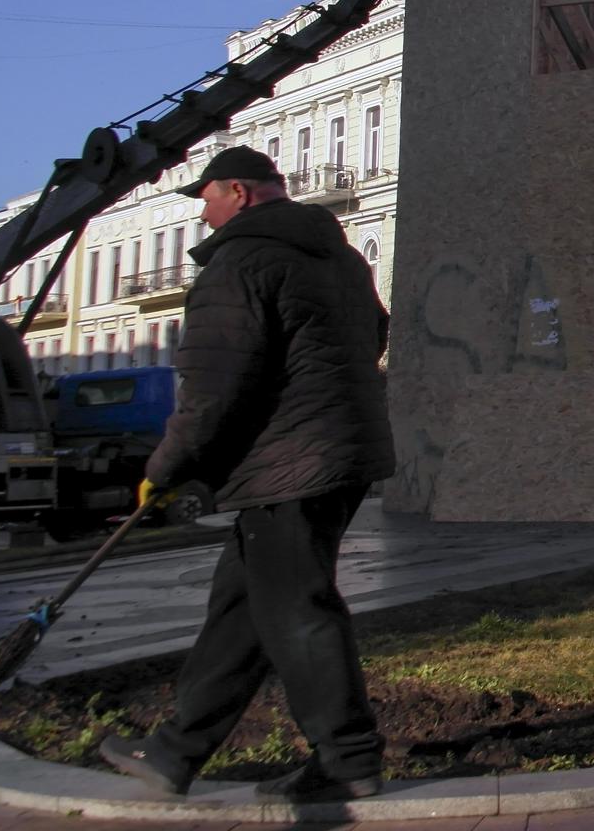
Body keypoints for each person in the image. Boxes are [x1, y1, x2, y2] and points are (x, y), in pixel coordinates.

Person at [100, 146, 395, 804]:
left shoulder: (240, 263)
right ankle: (176, 751)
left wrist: (168, 467)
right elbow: (373, 333)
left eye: (205, 198)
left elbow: (212, 387)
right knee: (243, 606)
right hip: (338, 450)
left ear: (238, 191)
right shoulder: (341, 258)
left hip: (287, 459)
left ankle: (347, 760)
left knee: (297, 607)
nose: (203, 215)